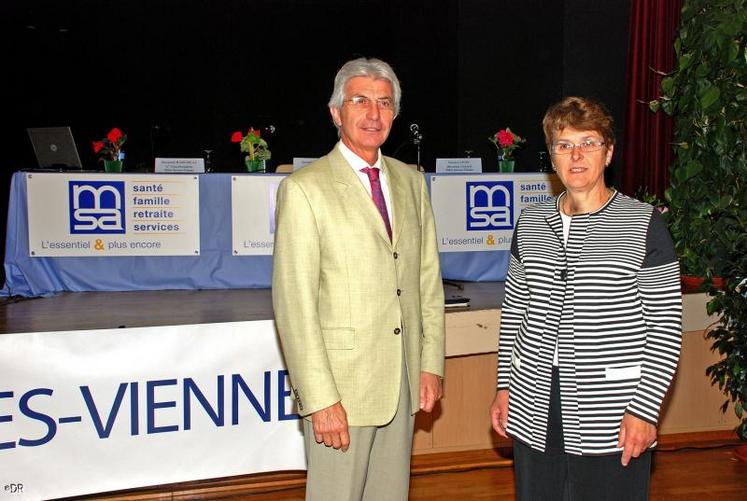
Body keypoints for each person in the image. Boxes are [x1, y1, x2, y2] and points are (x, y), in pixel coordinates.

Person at [489, 96, 682, 500]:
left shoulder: (644, 223)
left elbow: (665, 330)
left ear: (608, 152)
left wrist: (645, 410)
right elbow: (514, 314)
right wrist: (505, 386)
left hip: (612, 411)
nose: (575, 155)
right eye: (563, 145)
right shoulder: (530, 222)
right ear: (553, 158)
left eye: (588, 143)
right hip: (532, 402)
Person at [272, 57, 445, 501]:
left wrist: (430, 363)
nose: (373, 113)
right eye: (360, 101)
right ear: (336, 112)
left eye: (384, 103)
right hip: (341, 393)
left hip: (403, 383)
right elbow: (294, 304)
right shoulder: (304, 189)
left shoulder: (411, 182)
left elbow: (427, 282)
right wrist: (319, 397)